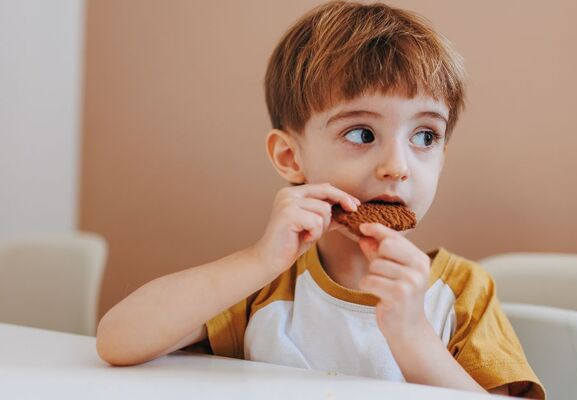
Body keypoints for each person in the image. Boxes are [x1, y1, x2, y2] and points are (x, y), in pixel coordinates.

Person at [96, 2, 544, 398]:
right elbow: (117, 341)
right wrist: (256, 261)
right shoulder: (265, 287)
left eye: (424, 136)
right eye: (362, 134)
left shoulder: (460, 292)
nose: (397, 165)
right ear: (291, 157)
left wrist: (412, 337)